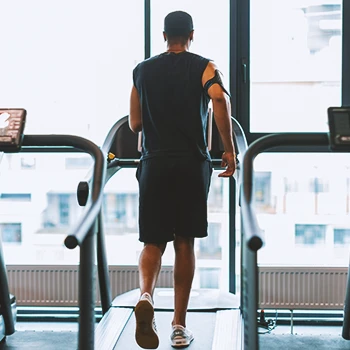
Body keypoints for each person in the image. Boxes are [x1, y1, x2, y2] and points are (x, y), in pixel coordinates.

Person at [128, 10, 236, 349]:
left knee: (152, 242)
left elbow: (135, 123)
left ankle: (146, 294)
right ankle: (178, 325)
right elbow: (218, 98)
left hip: (155, 164)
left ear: (163, 36)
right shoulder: (205, 65)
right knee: (185, 242)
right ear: (191, 34)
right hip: (190, 164)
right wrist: (228, 150)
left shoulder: (142, 70)